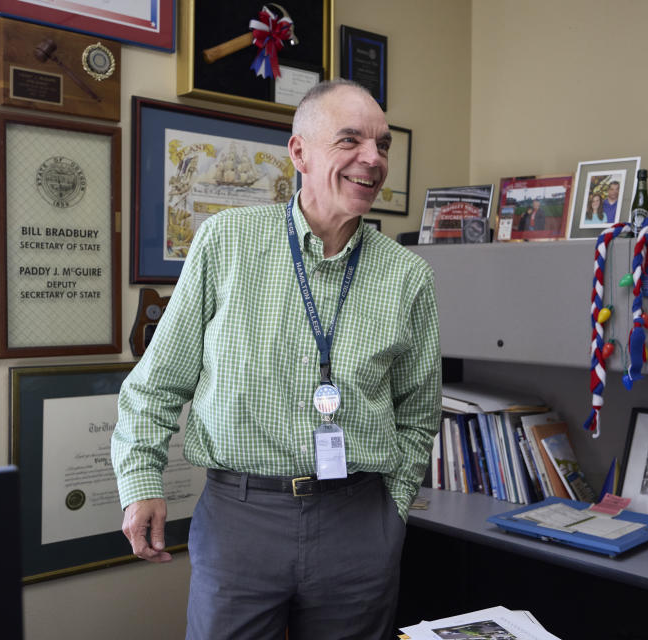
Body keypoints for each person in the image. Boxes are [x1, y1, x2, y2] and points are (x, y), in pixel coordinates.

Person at [111, 79, 442, 640]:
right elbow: (155, 385)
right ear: (299, 153)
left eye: (382, 144)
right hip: (241, 517)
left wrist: (394, 510)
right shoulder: (226, 243)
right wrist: (142, 480)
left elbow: (418, 412)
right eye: (351, 140)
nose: (373, 158)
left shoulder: (409, 277)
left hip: (359, 521)